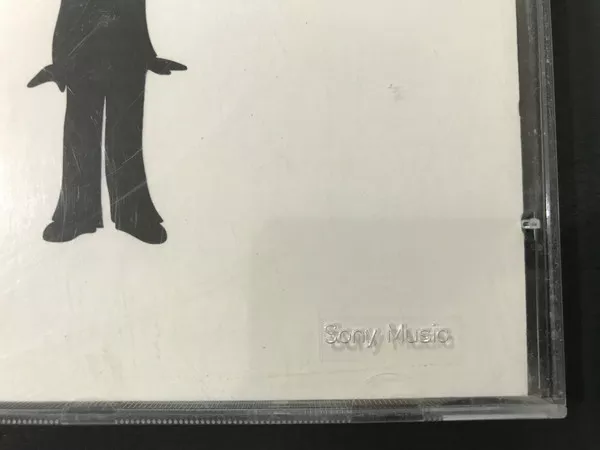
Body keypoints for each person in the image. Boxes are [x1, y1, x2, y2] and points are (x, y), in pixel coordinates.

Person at [28, 0, 186, 244]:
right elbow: (68, 10)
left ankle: (132, 216)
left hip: (127, 57)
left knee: (125, 139)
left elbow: (135, 11)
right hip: (83, 58)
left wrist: (148, 57)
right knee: (81, 139)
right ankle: (76, 217)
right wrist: (60, 63)